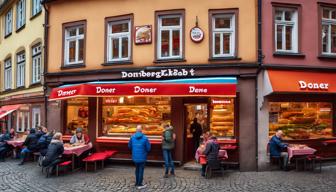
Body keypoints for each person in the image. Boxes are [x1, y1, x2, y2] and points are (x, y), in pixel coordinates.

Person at [128, 125, 151, 189]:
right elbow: (148, 148)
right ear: (141, 130)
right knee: (141, 170)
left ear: (136, 130)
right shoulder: (145, 138)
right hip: (142, 157)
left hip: (135, 157)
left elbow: (129, 146)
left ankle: (136, 183)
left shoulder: (132, 137)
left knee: (137, 169)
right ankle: (139, 184)